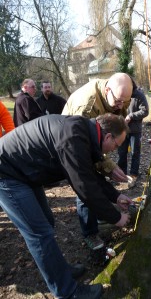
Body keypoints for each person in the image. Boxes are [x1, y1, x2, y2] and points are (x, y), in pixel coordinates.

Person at [0, 113, 132, 299]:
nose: (113, 150)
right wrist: (116, 218)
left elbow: (91, 175)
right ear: (108, 136)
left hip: (25, 171)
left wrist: (116, 196)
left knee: (47, 221)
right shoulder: (73, 137)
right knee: (39, 234)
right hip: (7, 173)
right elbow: (84, 186)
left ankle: (60, 270)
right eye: (116, 145)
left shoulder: (85, 132)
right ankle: (68, 293)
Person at [62, 72, 134, 249]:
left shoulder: (118, 96)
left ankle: (101, 211)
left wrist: (109, 166)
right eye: (118, 101)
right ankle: (90, 232)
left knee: (100, 179)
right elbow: (86, 149)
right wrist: (108, 166)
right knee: (86, 182)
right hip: (72, 144)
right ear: (107, 89)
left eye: (125, 102)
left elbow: (117, 126)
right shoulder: (86, 106)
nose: (121, 106)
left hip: (96, 139)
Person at [118, 87, 149, 187]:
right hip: (122, 129)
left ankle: (134, 174)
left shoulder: (139, 95)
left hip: (135, 130)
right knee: (121, 151)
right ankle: (121, 173)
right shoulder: (120, 94)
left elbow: (145, 111)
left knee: (135, 152)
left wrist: (131, 116)